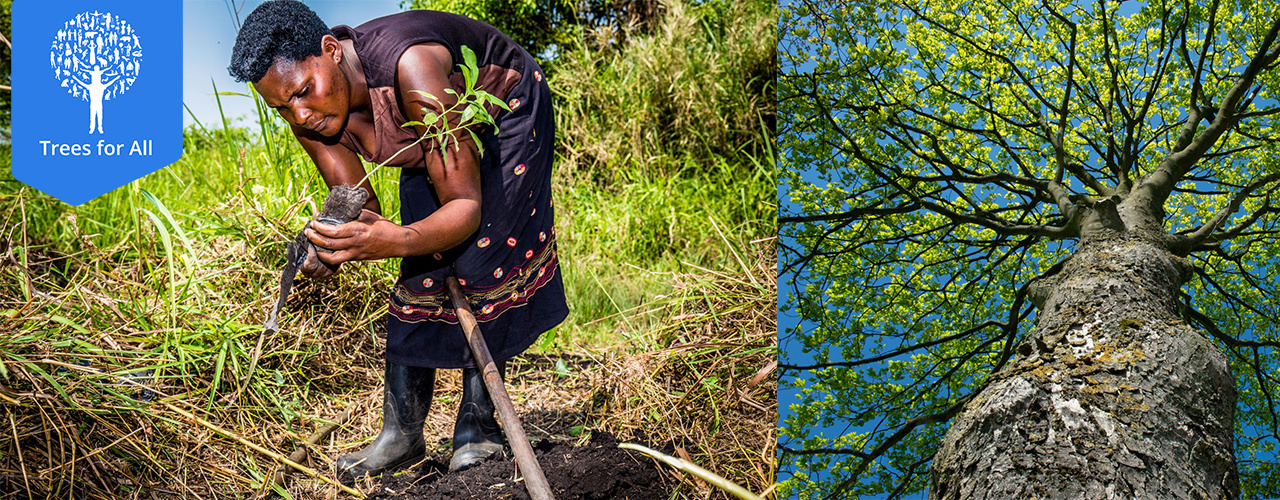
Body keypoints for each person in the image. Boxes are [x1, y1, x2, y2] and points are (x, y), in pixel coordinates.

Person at [228, 0, 568, 478]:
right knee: (421, 269)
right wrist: (333, 244)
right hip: (433, 142)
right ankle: (401, 436)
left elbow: (465, 207)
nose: (300, 114)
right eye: (281, 107)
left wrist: (394, 239)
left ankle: (479, 428)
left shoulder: (413, 68)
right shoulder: (306, 113)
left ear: (331, 51)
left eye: (305, 91)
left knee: (480, 258)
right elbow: (360, 204)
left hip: (502, 113)